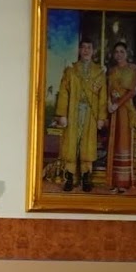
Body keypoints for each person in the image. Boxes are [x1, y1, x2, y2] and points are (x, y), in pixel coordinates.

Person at [53, 37, 106, 192]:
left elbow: (102, 97)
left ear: (93, 50)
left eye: (89, 47)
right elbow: (64, 93)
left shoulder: (99, 72)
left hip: (90, 113)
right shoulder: (71, 70)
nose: (86, 50)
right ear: (79, 50)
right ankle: (69, 177)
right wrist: (62, 114)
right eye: (83, 47)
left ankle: (86, 177)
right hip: (73, 112)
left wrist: (101, 118)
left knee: (87, 144)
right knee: (71, 144)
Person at [105, 40, 136, 192]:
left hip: (125, 110)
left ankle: (124, 184)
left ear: (127, 53)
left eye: (122, 52)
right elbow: (108, 89)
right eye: (116, 52)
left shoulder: (133, 69)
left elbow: (132, 92)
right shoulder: (111, 71)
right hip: (114, 111)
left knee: (124, 144)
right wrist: (109, 103)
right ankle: (114, 182)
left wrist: (117, 104)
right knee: (114, 143)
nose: (119, 54)